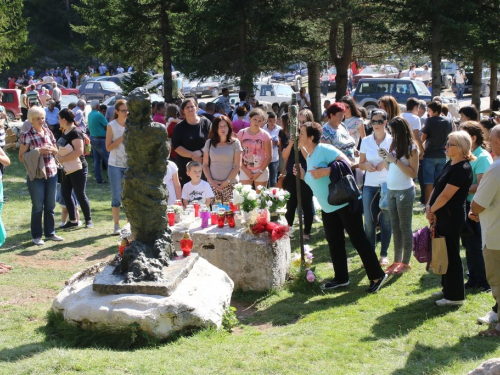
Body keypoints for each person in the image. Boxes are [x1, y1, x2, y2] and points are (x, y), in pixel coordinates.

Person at [296, 121, 388, 293]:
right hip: (328, 207)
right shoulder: (309, 155)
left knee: (358, 239)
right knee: (334, 242)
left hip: (345, 202)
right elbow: (315, 181)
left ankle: (377, 275)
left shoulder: (324, 149)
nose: (298, 136)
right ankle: (341, 278)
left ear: (310, 137)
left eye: (301, 133)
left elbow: (347, 163)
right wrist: (303, 176)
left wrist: (328, 171)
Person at [426, 130, 474, 306]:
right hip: (441, 215)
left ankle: (455, 297)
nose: (445, 147)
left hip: (451, 217)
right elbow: (437, 187)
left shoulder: (463, 168)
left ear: (461, 147)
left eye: (449, 144)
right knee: (444, 252)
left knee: (451, 255)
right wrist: (429, 206)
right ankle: (447, 289)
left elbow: (446, 196)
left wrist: (431, 209)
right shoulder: (450, 164)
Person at [469, 125, 500, 334]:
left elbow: (477, 203)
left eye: (490, 139)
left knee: (498, 282)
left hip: (496, 235)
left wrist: (475, 211)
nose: (488, 142)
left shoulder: (496, 168)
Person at [19, 107, 64, 245]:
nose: (41, 121)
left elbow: (57, 151)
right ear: (31, 120)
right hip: (36, 175)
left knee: (50, 206)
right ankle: (37, 236)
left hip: (52, 173)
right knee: (38, 206)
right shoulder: (27, 135)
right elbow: (21, 157)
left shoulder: (48, 132)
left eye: (43, 118)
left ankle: (50, 233)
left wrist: (53, 150)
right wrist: (38, 151)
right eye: (38, 118)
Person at [381, 117, 419, 274]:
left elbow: (413, 172)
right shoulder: (394, 143)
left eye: (392, 130)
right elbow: (389, 168)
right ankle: (397, 260)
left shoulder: (412, 147)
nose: (391, 133)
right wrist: (385, 158)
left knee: (405, 226)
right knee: (395, 226)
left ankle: (406, 262)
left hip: (405, 190)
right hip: (391, 190)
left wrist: (394, 160)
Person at [459, 122, 492, 291]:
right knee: (468, 244)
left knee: (476, 245)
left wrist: (457, 188)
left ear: (473, 138)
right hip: (466, 204)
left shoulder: (483, 157)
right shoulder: (468, 154)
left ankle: (483, 282)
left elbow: (481, 186)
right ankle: (473, 278)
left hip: (476, 207)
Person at [359, 109, 393, 266]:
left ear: (386, 122)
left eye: (380, 121)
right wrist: (367, 165)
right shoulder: (366, 140)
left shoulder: (392, 140)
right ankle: (370, 254)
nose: (376, 125)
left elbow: (397, 163)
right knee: (369, 221)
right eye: (374, 121)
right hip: (369, 185)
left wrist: (384, 162)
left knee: (386, 220)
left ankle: (384, 254)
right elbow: (361, 164)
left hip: (388, 184)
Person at [56, 109, 93, 229]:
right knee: (66, 193)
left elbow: (78, 151)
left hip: (78, 168)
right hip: (67, 168)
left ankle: (88, 221)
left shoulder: (75, 132)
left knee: (80, 194)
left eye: (59, 118)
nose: (58, 121)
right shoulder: (65, 131)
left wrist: (62, 159)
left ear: (64, 119)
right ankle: (73, 221)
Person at [282, 112, 315, 241]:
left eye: (303, 122)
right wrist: (291, 144)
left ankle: (306, 231)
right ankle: (287, 229)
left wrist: (301, 145)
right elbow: (285, 155)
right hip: (291, 174)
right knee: (290, 204)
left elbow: (311, 157)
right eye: (298, 121)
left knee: (306, 203)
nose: (300, 124)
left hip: (306, 174)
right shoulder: (290, 135)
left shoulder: (311, 137)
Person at [202, 116, 242, 204]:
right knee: (215, 214)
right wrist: (211, 181)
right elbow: (205, 164)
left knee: (230, 214)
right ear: (215, 128)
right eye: (220, 126)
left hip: (230, 184)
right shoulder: (209, 143)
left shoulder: (235, 143)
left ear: (229, 127)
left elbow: (237, 165)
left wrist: (226, 181)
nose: (223, 129)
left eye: (225, 126)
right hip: (213, 185)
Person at [172, 98, 211, 185]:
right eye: (187, 107)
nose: (190, 109)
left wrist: (200, 152)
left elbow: (212, 141)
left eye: (192, 106)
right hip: (186, 167)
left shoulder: (206, 123)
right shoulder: (179, 127)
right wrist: (193, 155)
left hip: (203, 164)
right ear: (183, 111)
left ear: (197, 108)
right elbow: (177, 146)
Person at [421, 100, 453, 204]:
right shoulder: (448, 120)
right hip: (443, 153)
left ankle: (428, 203)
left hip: (430, 153)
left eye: (429, 110)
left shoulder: (429, 121)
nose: (428, 112)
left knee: (428, 181)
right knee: (441, 181)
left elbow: (423, 137)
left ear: (435, 111)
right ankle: (438, 202)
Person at [237, 108, 272, 194]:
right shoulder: (241, 133)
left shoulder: (266, 135)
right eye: (255, 119)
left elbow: (269, 156)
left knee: (261, 199)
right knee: (243, 198)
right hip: (245, 169)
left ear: (263, 122)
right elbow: (237, 154)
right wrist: (245, 170)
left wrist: (259, 172)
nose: (256, 122)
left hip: (261, 170)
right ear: (250, 119)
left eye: (259, 121)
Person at [106, 99, 128, 235]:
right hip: (115, 165)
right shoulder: (111, 125)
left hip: (130, 164)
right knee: (116, 196)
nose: (126, 113)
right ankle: (116, 224)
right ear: (117, 111)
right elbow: (108, 147)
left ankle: (130, 223)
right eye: (123, 110)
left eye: (127, 110)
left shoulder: (132, 124)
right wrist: (122, 138)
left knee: (130, 195)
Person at [88, 99, 109, 184]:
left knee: (96, 161)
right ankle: (112, 177)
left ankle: (98, 179)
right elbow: (107, 126)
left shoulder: (90, 114)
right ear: (97, 106)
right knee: (108, 159)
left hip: (93, 138)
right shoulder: (99, 115)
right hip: (100, 139)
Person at [264, 112, 282, 187]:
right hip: (265, 158)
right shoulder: (263, 128)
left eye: (274, 121)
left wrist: (278, 143)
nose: (272, 123)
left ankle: (273, 196)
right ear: (267, 120)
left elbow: (282, 143)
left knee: (273, 179)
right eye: (270, 121)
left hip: (275, 158)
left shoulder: (279, 129)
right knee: (265, 179)